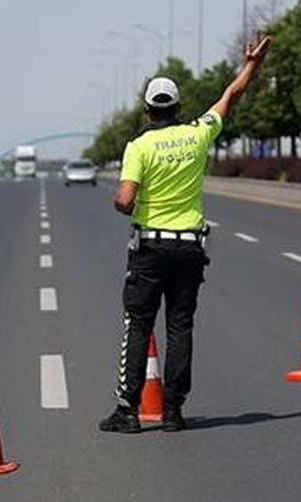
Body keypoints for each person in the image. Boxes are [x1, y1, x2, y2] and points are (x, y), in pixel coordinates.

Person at [100, 34, 272, 434]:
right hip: (190, 249)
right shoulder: (197, 134)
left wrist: (123, 200)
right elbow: (231, 96)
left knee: (138, 322)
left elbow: (125, 201)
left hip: (149, 249)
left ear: (146, 109)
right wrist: (252, 64)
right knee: (180, 326)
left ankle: (128, 410)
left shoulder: (138, 146)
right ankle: (173, 411)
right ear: (177, 107)